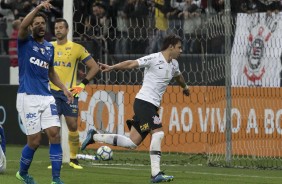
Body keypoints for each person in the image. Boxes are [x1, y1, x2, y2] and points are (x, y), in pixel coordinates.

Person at [81, 34, 190, 183]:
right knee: (158, 133)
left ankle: (94, 136)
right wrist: (112, 67)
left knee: (132, 142)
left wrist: (185, 87)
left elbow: (179, 76)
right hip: (144, 103)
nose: (181, 50)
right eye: (179, 47)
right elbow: (131, 63)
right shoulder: (154, 58)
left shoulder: (174, 64)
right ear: (171, 47)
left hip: (151, 107)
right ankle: (155, 174)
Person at [15, 1, 73, 184]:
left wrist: (64, 89)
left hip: (47, 97)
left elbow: (51, 73)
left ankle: (56, 179)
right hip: (28, 96)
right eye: (37, 23)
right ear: (32, 26)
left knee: (54, 134)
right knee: (34, 140)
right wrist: (39, 8)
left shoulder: (50, 48)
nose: (40, 26)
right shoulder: (24, 42)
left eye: (43, 23)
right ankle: (22, 173)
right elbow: (23, 25)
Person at [48, 18, 99, 169]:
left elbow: (94, 67)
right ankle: (55, 160)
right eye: (56, 27)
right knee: (53, 129)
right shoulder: (49, 47)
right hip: (51, 93)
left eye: (61, 27)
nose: (58, 30)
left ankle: (73, 159)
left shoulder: (77, 48)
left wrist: (82, 84)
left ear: (67, 30)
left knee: (72, 125)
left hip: (70, 93)